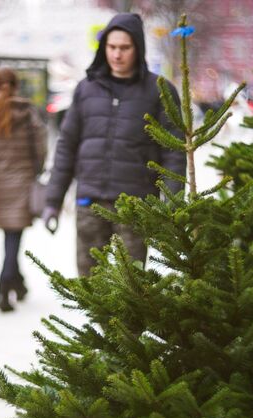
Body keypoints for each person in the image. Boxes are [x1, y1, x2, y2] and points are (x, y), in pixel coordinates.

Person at [43, 12, 186, 276]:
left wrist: (172, 205)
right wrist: (53, 199)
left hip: (135, 207)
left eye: (124, 48)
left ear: (137, 48)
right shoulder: (86, 89)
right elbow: (67, 146)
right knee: (90, 285)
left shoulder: (159, 90)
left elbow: (174, 151)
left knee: (130, 286)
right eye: (111, 47)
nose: (117, 55)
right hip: (90, 202)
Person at [0, 67, 47, 312]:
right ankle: (4, 288)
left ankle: (19, 284)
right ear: (16, 86)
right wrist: (36, 171)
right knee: (13, 237)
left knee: (10, 236)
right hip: (23, 181)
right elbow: (40, 148)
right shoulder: (27, 113)